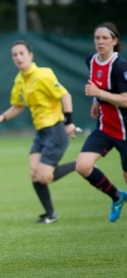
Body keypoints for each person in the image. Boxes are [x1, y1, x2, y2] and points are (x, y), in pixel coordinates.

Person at [0, 40, 77, 224]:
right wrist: (1, 117)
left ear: (30, 55)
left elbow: (65, 95)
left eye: (21, 53)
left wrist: (69, 122)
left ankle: (80, 164)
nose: (18, 57)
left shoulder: (44, 74)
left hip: (55, 130)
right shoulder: (20, 80)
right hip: (41, 133)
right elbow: (17, 106)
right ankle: (50, 214)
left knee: (45, 176)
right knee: (34, 173)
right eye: (15, 54)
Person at [76, 22, 127, 222]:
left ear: (114, 41)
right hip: (105, 128)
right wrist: (96, 102)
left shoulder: (120, 66)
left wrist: (99, 94)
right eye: (97, 38)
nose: (100, 42)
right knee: (83, 166)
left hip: (124, 131)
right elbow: (96, 85)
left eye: (105, 38)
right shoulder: (91, 60)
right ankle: (117, 196)